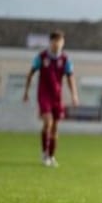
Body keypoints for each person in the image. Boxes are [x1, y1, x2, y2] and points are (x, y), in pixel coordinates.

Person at [22, 31, 79, 167]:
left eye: (61, 41)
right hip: (44, 95)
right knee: (48, 122)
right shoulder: (41, 57)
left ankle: (52, 156)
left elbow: (70, 78)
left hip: (57, 97)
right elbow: (30, 74)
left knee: (55, 128)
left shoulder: (65, 59)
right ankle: (44, 153)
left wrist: (74, 95)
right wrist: (26, 92)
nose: (58, 44)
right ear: (51, 42)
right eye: (56, 41)